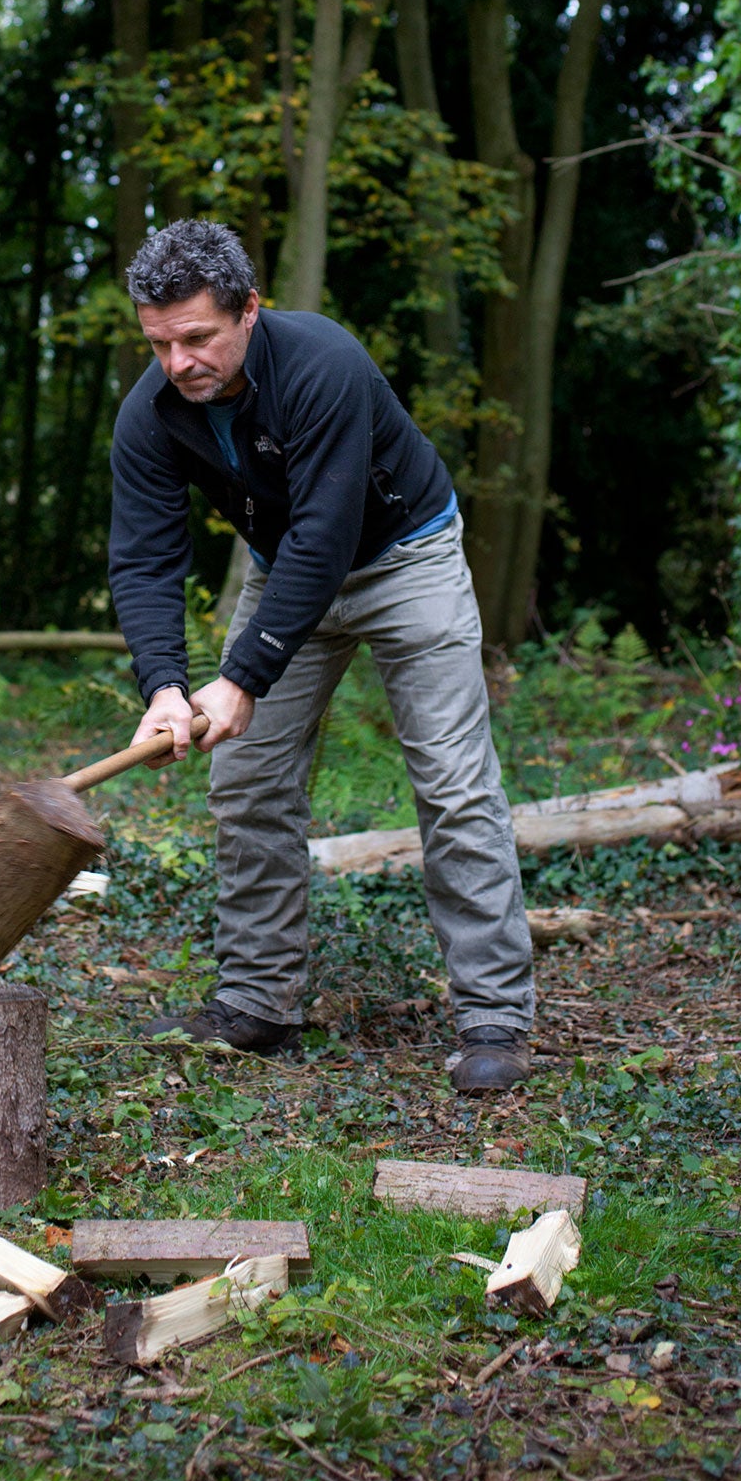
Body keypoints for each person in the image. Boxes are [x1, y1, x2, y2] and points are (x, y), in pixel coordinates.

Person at [107, 219, 534, 1093]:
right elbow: (146, 559)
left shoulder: (323, 364)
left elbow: (327, 531)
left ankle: (493, 1013)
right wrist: (164, 684)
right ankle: (258, 1001)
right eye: (160, 343)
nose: (179, 362)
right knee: (247, 777)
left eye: (198, 338)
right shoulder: (148, 416)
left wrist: (242, 677)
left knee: (453, 781)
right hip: (284, 572)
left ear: (250, 311)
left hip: (403, 554)